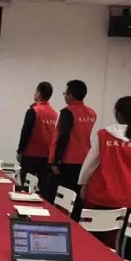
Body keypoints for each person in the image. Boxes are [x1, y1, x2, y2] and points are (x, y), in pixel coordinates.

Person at [78, 96, 131, 254]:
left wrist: (83, 183)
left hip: (102, 197)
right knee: (125, 246)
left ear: (118, 114)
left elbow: (89, 165)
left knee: (94, 243)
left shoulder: (103, 135)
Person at [48, 79, 97, 218]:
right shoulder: (91, 113)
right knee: (76, 197)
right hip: (84, 160)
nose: (65, 96)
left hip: (67, 160)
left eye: (65, 93)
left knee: (60, 196)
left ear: (71, 95)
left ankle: (58, 220)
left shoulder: (68, 112)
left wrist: (56, 161)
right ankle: (76, 222)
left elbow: (63, 138)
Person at [16, 81, 57, 198]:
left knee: (26, 189)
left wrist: (20, 151)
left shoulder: (34, 111)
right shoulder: (54, 113)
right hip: (46, 156)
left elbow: (26, 132)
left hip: (30, 155)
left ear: (38, 93)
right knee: (44, 189)